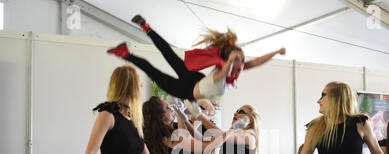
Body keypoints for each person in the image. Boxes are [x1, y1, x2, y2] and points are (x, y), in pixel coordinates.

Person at [107, 14, 285, 101]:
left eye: (242, 60)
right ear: (228, 61)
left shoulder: (234, 68)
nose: (242, 65)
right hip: (187, 89)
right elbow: (223, 72)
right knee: (160, 64)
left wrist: (275, 52)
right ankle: (141, 34)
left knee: (161, 64)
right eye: (237, 60)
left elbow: (256, 61)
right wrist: (231, 62)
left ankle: (132, 46)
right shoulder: (223, 72)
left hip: (192, 82)